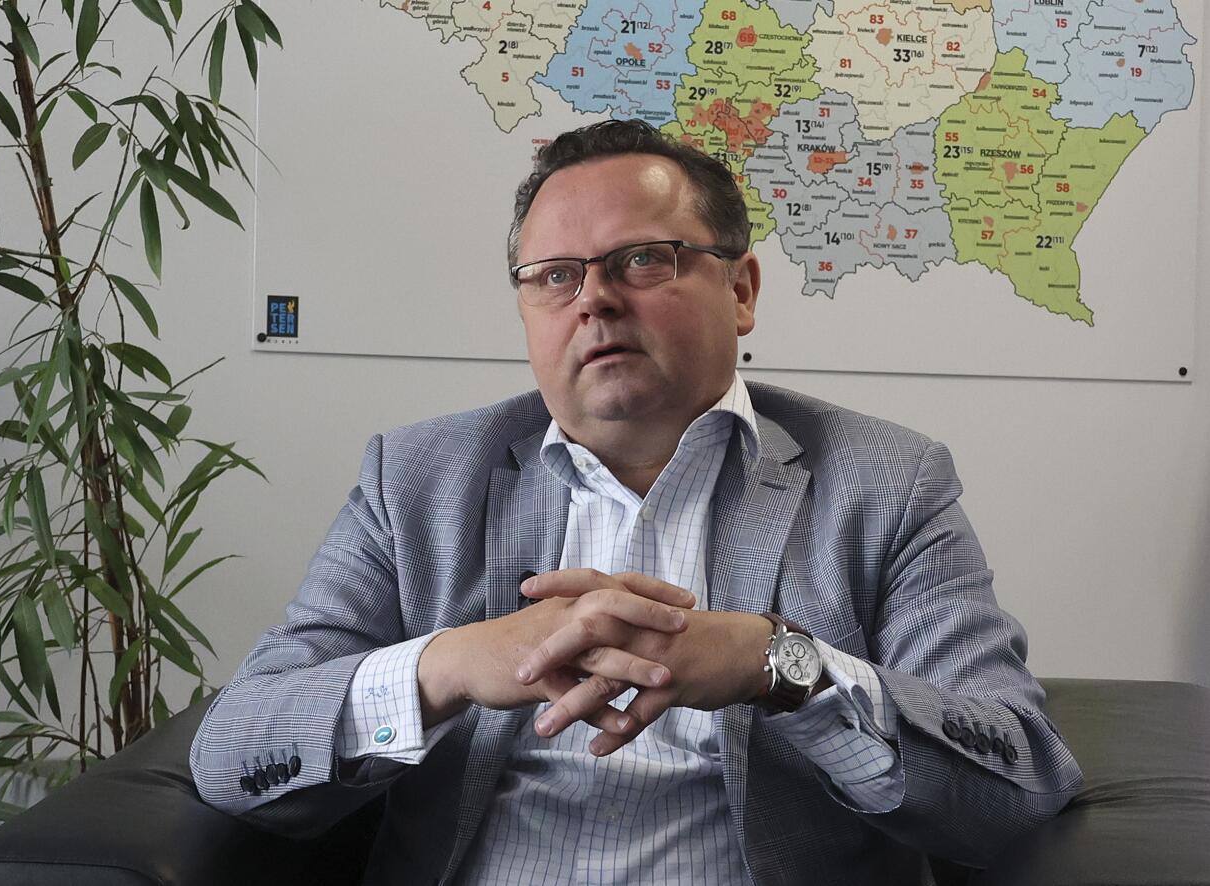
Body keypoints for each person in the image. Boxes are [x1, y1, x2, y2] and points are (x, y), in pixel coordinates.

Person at [190, 119, 1082, 885]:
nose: (594, 300)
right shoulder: (418, 479)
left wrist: (780, 666)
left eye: (642, 260)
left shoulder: (886, 482)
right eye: (554, 276)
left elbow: (1015, 778)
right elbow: (233, 756)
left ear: (740, 290)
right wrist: (449, 665)